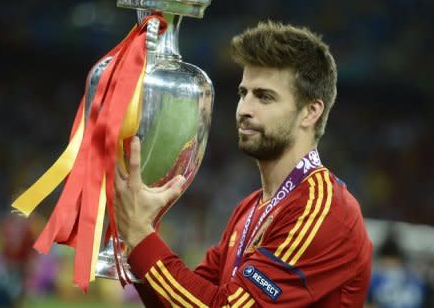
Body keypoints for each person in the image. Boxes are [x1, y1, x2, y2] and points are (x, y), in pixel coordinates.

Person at [114, 21, 373, 307]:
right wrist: (137, 229)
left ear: (310, 111)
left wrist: (140, 235)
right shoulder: (249, 209)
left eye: (264, 96)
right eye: (243, 93)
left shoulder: (322, 210)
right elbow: (183, 299)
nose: (244, 110)